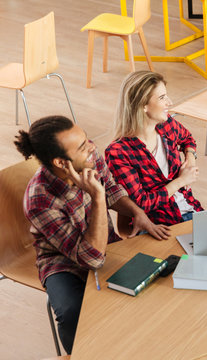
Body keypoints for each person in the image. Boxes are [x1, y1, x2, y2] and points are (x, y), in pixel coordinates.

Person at [14, 115, 170, 354]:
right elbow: (92, 259)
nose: (93, 148)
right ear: (61, 162)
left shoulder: (88, 158)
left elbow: (111, 188)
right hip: (62, 262)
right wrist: (97, 197)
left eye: (87, 140)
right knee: (71, 312)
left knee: (159, 274)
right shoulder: (40, 199)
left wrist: (138, 213)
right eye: (83, 146)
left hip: (106, 243)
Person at [105, 71, 203, 225]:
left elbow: (188, 139)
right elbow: (141, 204)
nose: (169, 102)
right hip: (158, 225)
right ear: (143, 105)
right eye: (162, 97)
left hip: (191, 209)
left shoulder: (166, 124)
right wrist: (180, 181)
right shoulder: (119, 153)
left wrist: (190, 160)